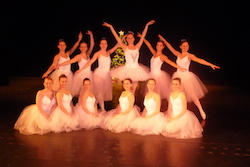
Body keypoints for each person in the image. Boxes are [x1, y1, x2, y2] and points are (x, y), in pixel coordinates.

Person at [158, 35, 220, 120]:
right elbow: (170, 47)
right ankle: (174, 111)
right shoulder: (178, 54)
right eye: (183, 46)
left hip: (186, 77)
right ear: (180, 47)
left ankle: (201, 110)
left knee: (192, 95)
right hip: (178, 76)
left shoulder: (190, 55)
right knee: (174, 94)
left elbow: (200, 60)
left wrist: (210, 64)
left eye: (187, 46)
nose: (185, 47)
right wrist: (164, 40)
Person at [102, 20, 155, 92]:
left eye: (131, 38)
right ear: (126, 39)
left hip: (136, 69)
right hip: (127, 69)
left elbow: (143, 37)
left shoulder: (137, 47)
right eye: (128, 38)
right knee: (127, 87)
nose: (130, 39)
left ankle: (131, 100)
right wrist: (111, 27)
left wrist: (147, 25)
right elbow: (117, 38)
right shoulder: (125, 47)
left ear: (134, 39)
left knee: (134, 87)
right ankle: (127, 100)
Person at [138, 33, 186, 99]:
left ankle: (160, 107)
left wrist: (179, 67)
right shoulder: (154, 53)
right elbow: (149, 45)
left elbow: (170, 62)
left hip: (158, 76)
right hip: (151, 74)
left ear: (163, 47)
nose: (159, 46)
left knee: (157, 93)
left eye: (161, 45)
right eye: (158, 45)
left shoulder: (162, 56)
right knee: (151, 92)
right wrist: (142, 37)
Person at [75, 38, 118, 111]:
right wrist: (80, 70)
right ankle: (103, 109)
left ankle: (92, 104)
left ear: (107, 45)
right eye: (102, 43)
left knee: (101, 94)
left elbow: (118, 45)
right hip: (99, 75)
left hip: (106, 75)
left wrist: (123, 37)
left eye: (105, 43)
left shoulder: (108, 53)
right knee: (100, 93)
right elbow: (89, 62)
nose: (103, 45)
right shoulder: (97, 54)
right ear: (100, 45)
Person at [57, 30, 94, 97]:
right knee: (82, 92)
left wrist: (91, 35)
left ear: (87, 48)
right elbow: (70, 61)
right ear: (80, 48)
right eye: (82, 47)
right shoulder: (78, 56)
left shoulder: (88, 55)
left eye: (85, 47)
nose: (83, 48)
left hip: (89, 74)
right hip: (81, 75)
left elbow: (92, 45)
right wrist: (60, 64)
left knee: (88, 91)